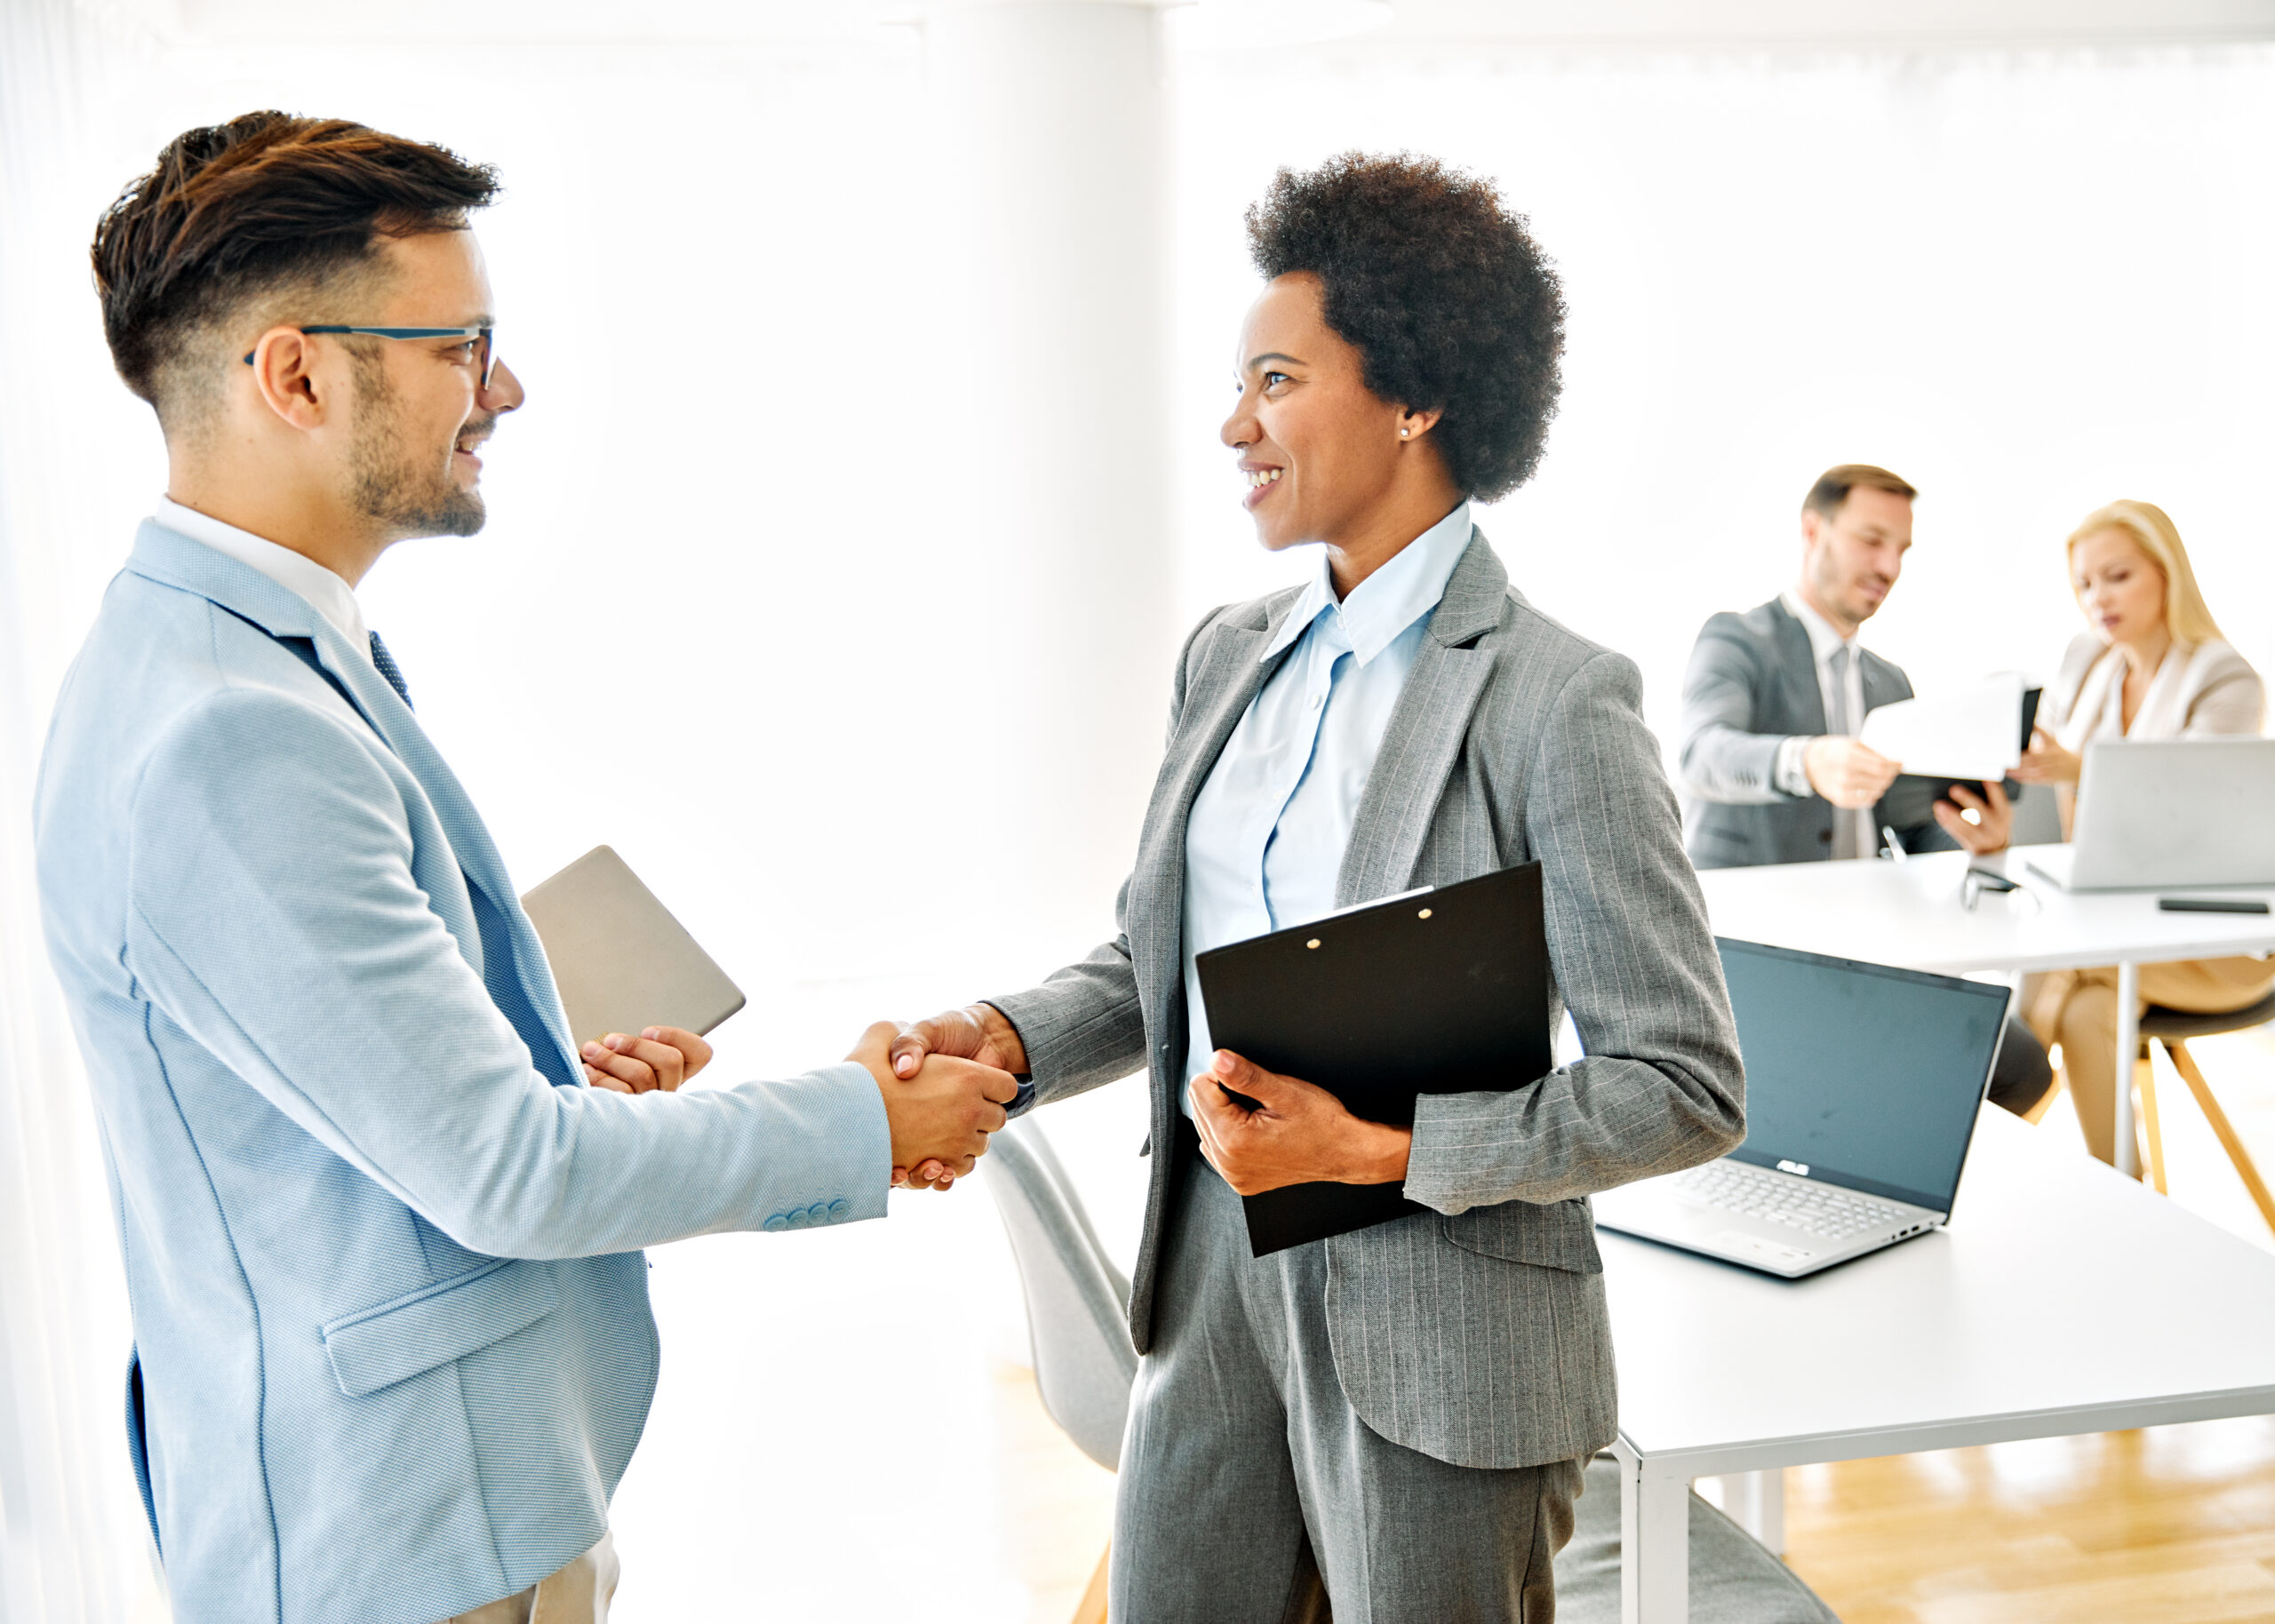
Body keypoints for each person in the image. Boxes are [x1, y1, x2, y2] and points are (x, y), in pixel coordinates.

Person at [35, 114, 1015, 1624]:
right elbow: (504, 1172)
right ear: (294, 373)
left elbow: (365, 1113)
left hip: (424, 1499)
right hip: (398, 1541)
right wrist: (861, 1120)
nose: (504, 388)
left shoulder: (236, 656)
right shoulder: (230, 733)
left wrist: (531, 1068)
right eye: (460, 346)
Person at [890, 154, 1745, 1623]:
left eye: (1275, 380)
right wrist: (1011, 1036)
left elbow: (1683, 1082)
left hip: (1446, 1326)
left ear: (1415, 396)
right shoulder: (1229, 658)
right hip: (1213, 1282)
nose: (1235, 425)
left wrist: (1374, 1150)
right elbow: (1162, 965)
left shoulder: (1557, 701)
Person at [1675, 465, 2054, 1117]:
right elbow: (1701, 754)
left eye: (1902, 550)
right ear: (1813, 529)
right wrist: (1808, 761)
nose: (1889, 565)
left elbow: (1913, 827)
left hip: (1864, 949)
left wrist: (1975, 845)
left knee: (2021, 1068)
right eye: (1872, 540)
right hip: (1753, 956)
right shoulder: (1737, 638)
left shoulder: (1889, 682)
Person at [2013, 499, 2271, 1169]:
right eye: (2084, 584)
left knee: (2053, 958)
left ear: (2167, 573)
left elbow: (2188, 820)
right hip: (2115, 939)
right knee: (2085, 1012)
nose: (2098, 598)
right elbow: (2080, 837)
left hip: (2219, 944)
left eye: (2117, 575)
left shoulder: (2224, 677)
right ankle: (2124, 1189)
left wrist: (2081, 766)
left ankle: (1992, 1117)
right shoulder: (2097, 670)